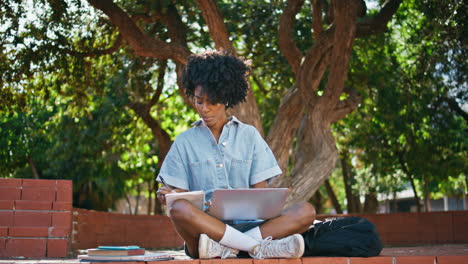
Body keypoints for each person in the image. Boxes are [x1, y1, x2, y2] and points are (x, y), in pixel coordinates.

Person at [156, 50, 316, 259]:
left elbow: (261, 199)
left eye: (211, 102)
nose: (204, 109)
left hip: (253, 227)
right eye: (199, 101)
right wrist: (168, 195)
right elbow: (181, 199)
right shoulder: (184, 142)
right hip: (205, 236)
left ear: (225, 98)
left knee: (306, 211)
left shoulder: (249, 136)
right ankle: (256, 248)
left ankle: (233, 247)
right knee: (179, 209)